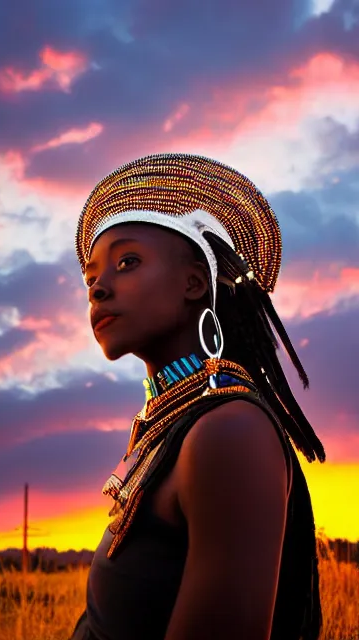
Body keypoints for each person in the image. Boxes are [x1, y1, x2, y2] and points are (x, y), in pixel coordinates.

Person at [69, 153, 326, 640]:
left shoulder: (230, 433)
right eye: (90, 278)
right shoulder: (168, 432)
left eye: (127, 262)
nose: (97, 289)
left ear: (195, 281)